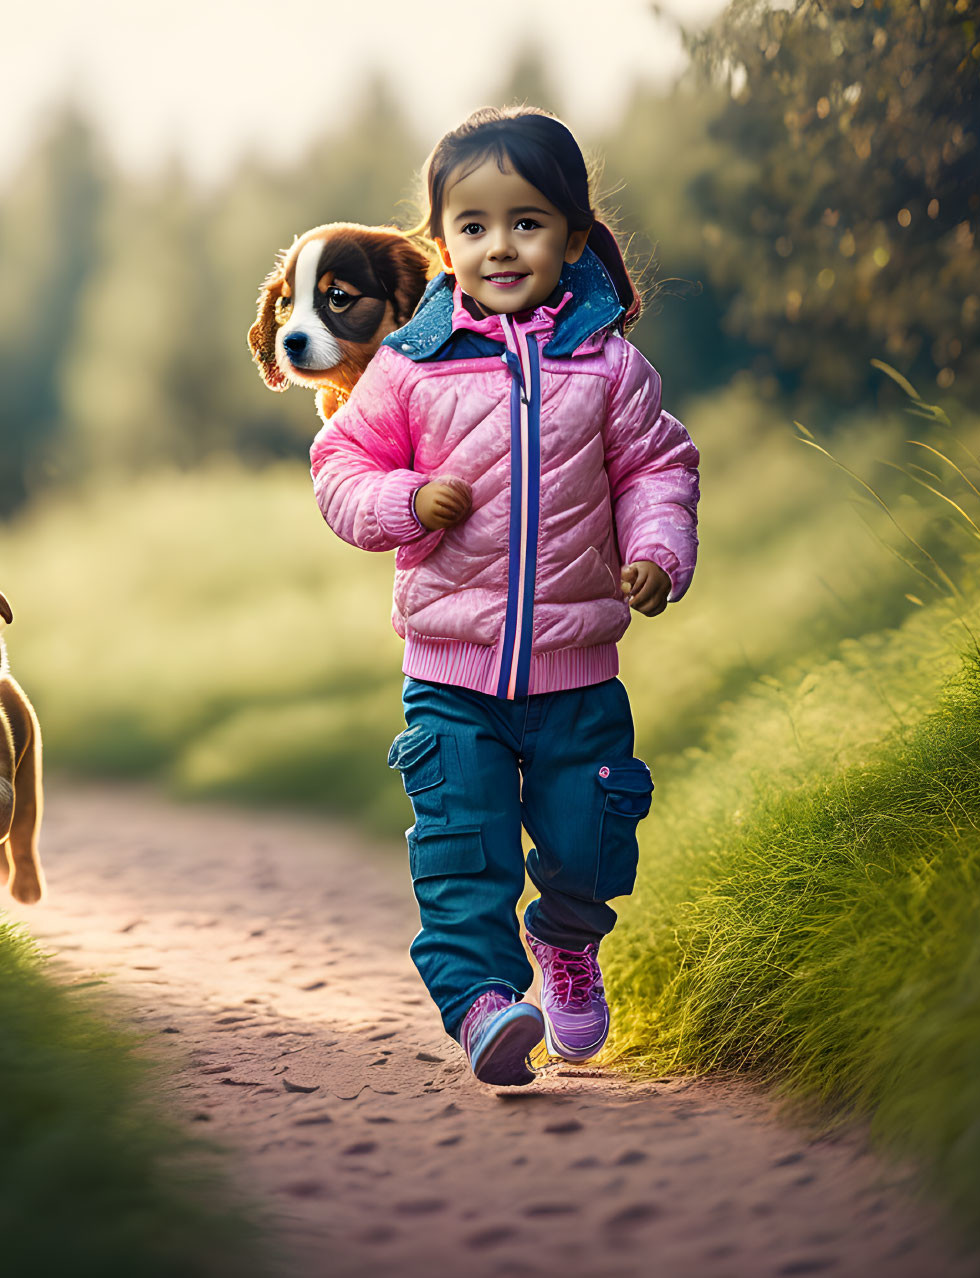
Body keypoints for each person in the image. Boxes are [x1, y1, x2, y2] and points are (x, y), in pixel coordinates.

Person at [309, 106, 700, 1086]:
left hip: (575, 678)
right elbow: (339, 464)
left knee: (586, 843)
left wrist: (655, 548)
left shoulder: (606, 365)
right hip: (450, 678)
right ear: (441, 242)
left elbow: (657, 467)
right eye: (473, 226)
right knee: (461, 850)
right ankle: (483, 1002)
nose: (499, 246)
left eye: (525, 223)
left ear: (571, 236)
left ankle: (565, 941)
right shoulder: (410, 365)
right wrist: (403, 499)